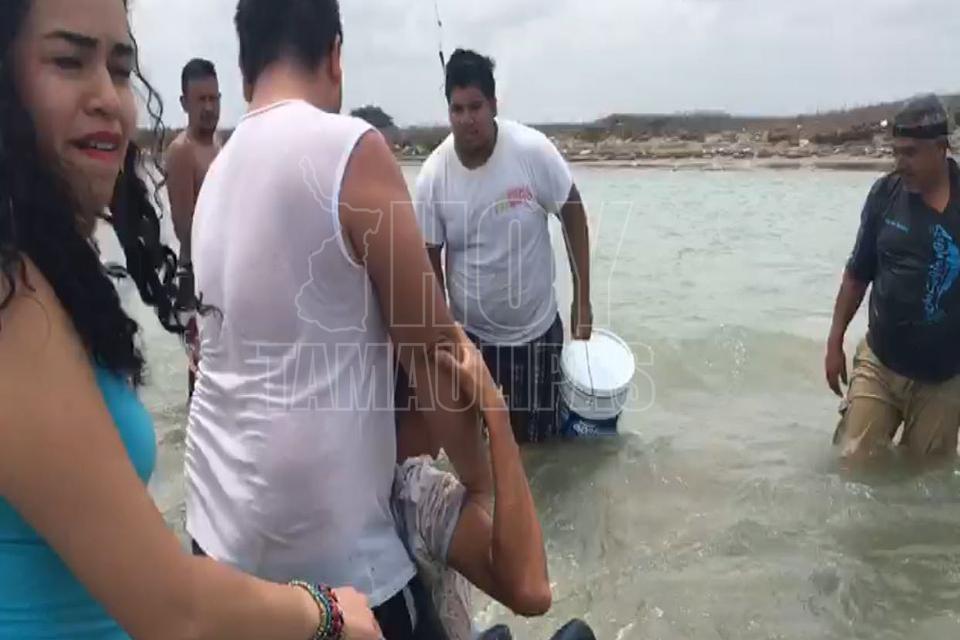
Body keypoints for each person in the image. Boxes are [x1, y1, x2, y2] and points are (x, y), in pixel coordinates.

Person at [0, 0, 380, 639]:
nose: (107, 98)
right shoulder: (12, 295)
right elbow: (173, 610)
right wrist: (330, 611)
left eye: (120, 70)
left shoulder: (51, 270)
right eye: (68, 61)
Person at [186, 1, 478, 638]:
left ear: (244, 70)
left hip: (215, 552)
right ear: (336, 54)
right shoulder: (351, 149)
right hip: (343, 574)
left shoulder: (215, 176)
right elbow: (433, 352)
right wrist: (487, 493)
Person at [415, 49, 594, 444]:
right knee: (482, 452)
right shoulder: (433, 177)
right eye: (457, 109)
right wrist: (445, 336)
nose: (467, 119)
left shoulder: (532, 152)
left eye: (476, 106)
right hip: (474, 342)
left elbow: (573, 213)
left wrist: (582, 299)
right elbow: (429, 263)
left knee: (543, 449)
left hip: (538, 334)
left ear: (494, 105)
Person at [827, 94, 960, 459]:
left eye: (911, 153)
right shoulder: (885, 195)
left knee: (924, 480)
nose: (900, 163)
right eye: (896, 152)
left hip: (943, 377)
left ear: (941, 148)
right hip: (881, 361)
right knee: (852, 464)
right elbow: (857, 274)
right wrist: (834, 341)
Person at [164, 57, 222, 398]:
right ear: (185, 103)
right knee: (200, 374)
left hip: (221, 277)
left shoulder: (219, 146)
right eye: (201, 100)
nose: (209, 108)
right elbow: (184, 226)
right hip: (194, 280)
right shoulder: (181, 151)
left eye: (214, 99)